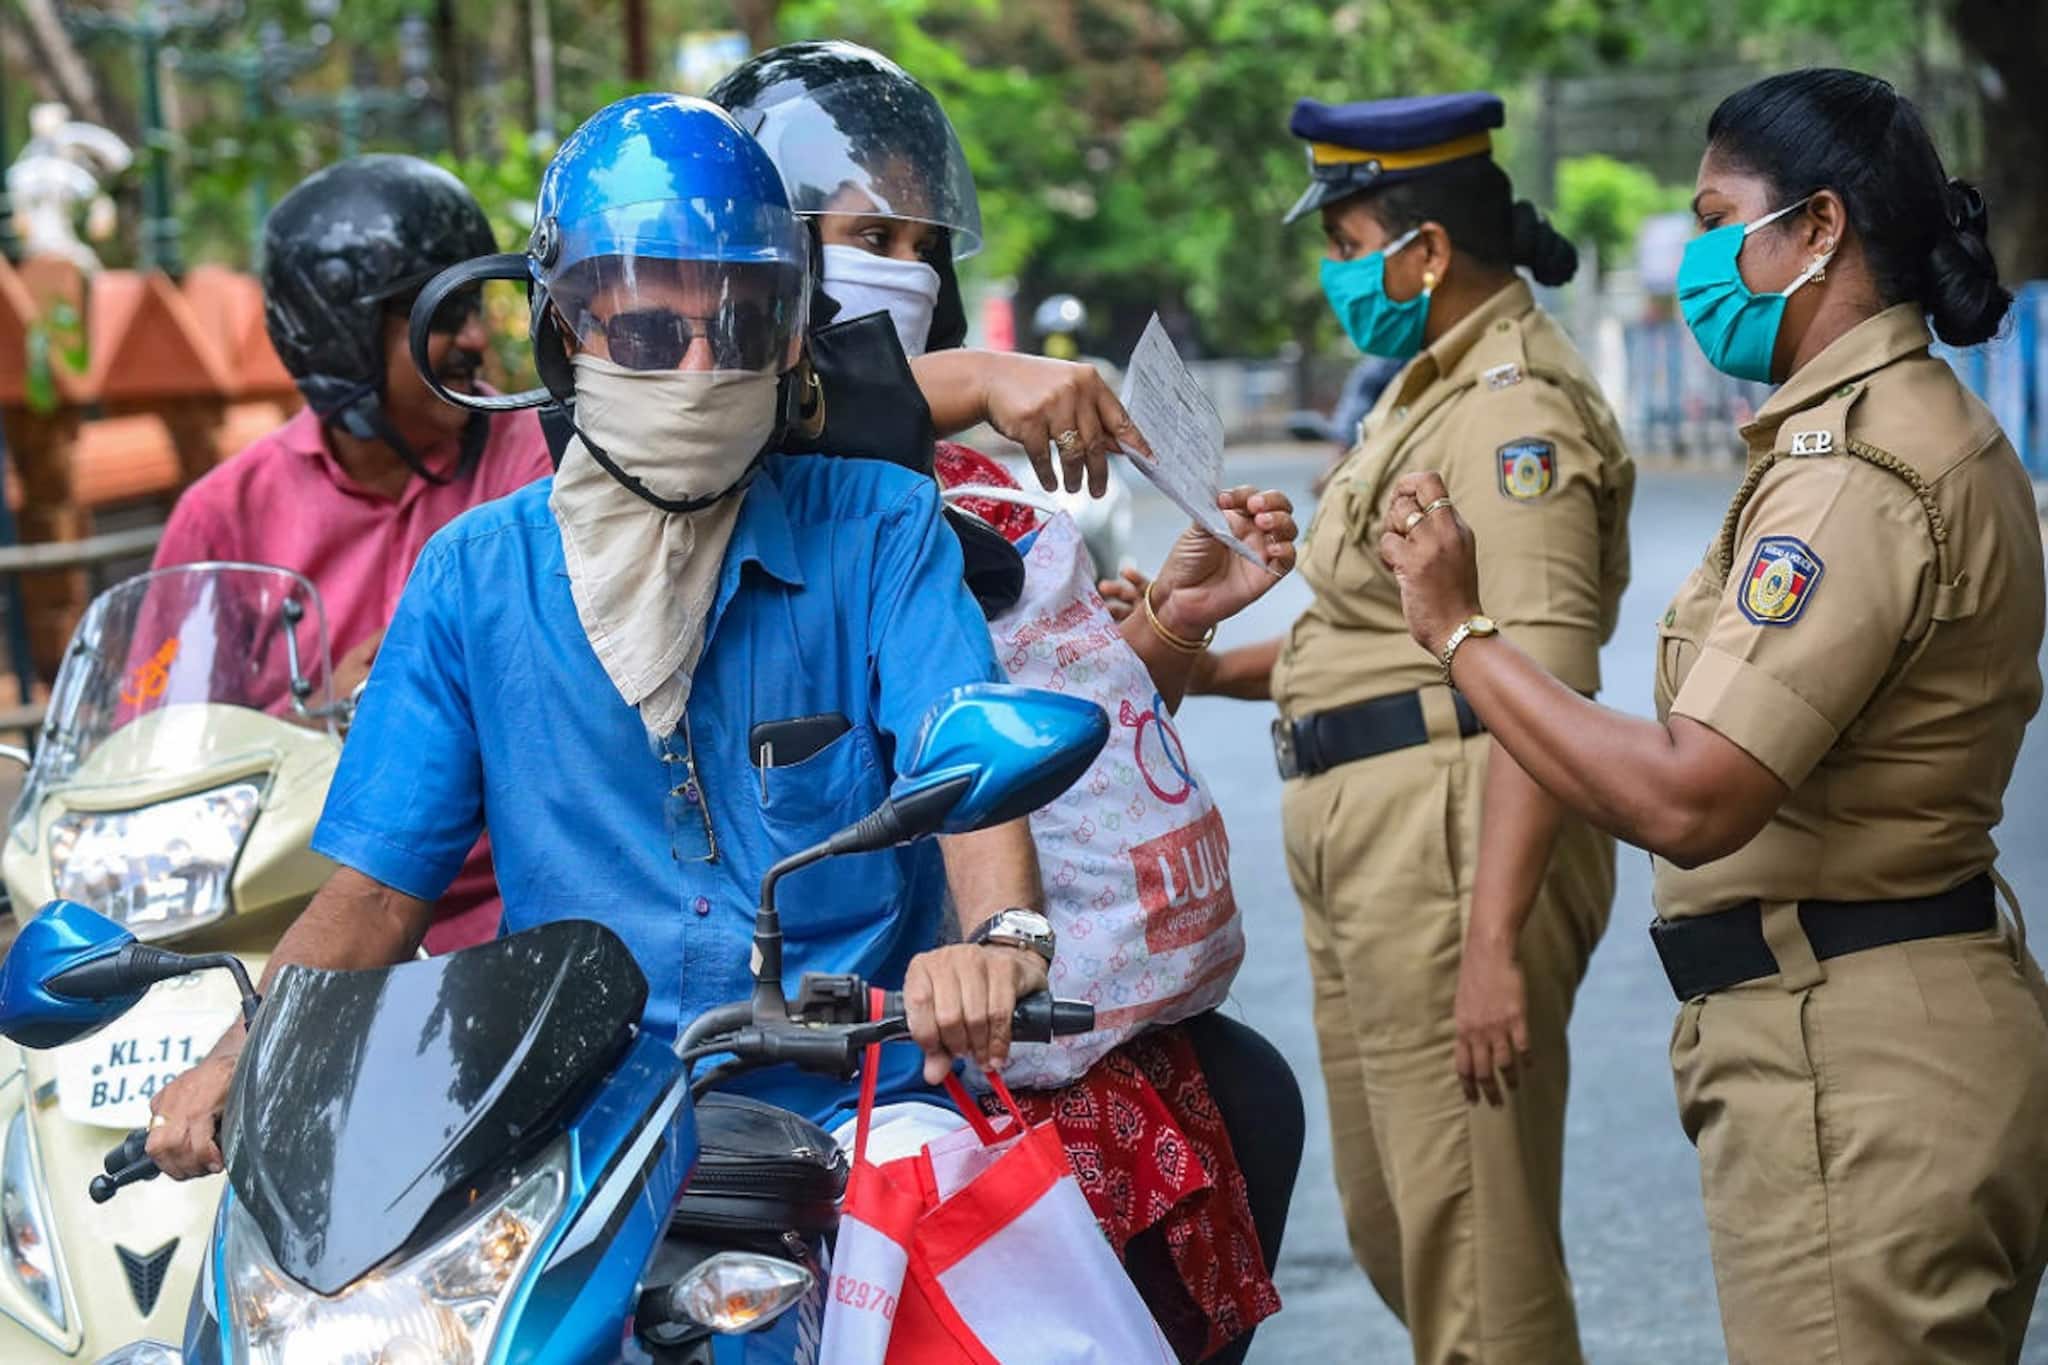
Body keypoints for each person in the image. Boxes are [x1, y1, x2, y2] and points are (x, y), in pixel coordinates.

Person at [145, 94, 1051, 1181]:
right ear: (567, 332)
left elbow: (965, 762)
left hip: (865, 1114)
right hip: (572, 1132)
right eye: (651, 333)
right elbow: (376, 893)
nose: (700, 368)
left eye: (742, 328)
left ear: (792, 340)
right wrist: (241, 1051)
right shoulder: (474, 578)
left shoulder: (880, 528)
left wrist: (1000, 942)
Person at [1378, 69, 2047, 1364]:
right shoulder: (1898, 435)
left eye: (1715, 218)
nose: (1694, 260)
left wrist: (1459, 632)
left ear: (1818, 227)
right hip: (1891, 1027)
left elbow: (1691, 794)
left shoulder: (1856, 476)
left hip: (1853, 1066)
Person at [718, 43, 1305, 1359]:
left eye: (922, 245)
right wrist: (981, 378)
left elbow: (1055, 733)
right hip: (911, 1049)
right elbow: (751, 406)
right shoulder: (741, 486)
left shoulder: (970, 486)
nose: (906, 273)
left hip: (1083, 1028)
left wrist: (1172, 620)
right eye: (868, 237)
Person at [1115, 92, 1636, 1364]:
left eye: (1348, 245)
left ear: (1427, 250)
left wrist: (1491, 943)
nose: (1336, 274)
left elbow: (1541, 682)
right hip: (1377, 843)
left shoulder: (1511, 412)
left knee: (1476, 1258)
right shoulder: (1420, 391)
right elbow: (1358, 649)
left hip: (1453, 847)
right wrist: (1185, 652)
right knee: (1399, 1225)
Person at [150, 155, 552, 953]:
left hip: (508, 923)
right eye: (444, 313)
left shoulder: (540, 467)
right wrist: (311, 726)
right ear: (342, 339)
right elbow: (162, 758)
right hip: (283, 923)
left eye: (474, 305)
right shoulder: (223, 515)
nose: (477, 337)